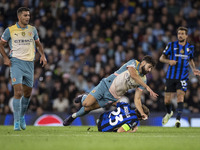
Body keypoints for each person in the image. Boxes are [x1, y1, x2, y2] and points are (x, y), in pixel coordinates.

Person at [63, 55, 158, 126]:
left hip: (113, 96)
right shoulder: (134, 63)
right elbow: (133, 75)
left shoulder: (144, 79)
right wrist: (147, 87)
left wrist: (142, 113)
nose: (149, 70)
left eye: (151, 68)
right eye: (149, 67)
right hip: (106, 84)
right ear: (143, 63)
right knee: (86, 104)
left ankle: (73, 116)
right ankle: (83, 97)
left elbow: (137, 99)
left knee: (89, 108)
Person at [0, 7, 47, 131]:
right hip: (16, 62)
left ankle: (21, 116)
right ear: (19, 16)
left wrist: (42, 55)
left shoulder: (33, 30)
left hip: (29, 64)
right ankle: (16, 122)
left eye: (29, 15)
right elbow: (1, 44)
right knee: (18, 92)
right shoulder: (10, 30)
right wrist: (5, 57)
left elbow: (38, 43)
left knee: (27, 94)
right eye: (25, 15)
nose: (28, 17)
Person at [159, 26, 200, 127]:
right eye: (179, 34)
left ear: (186, 35)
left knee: (180, 97)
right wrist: (169, 61)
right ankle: (169, 113)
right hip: (171, 76)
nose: (180, 35)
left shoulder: (190, 47)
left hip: (183, 76)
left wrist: (193, 69)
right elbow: (161, 58)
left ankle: (178, 119)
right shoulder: (171, 45)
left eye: (182, 34)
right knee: (167, 100)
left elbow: (190, 59)